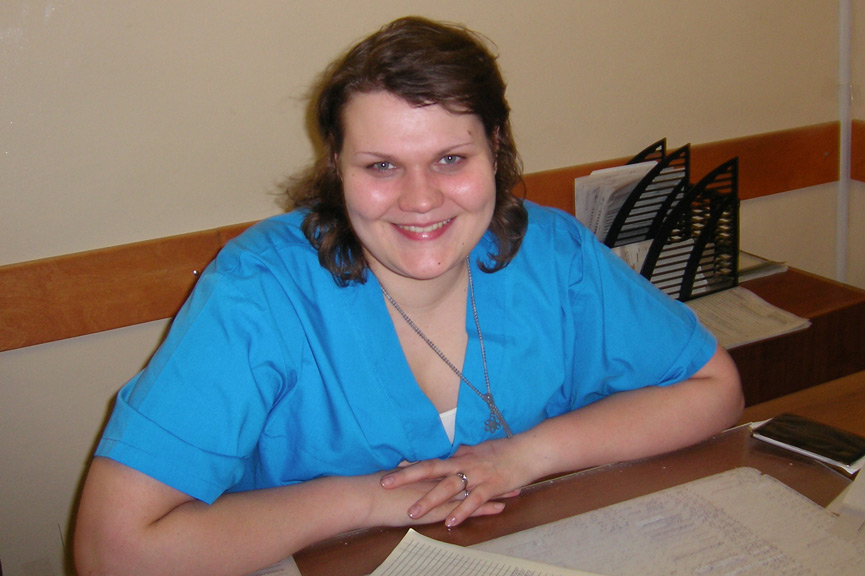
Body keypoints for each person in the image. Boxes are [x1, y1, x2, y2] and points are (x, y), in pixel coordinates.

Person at [73, 16, 743, 576]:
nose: (420, 200)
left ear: (495, 150)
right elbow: (111, 551)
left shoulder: (553, 254)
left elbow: (713, 388)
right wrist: (366, 501)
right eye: (381, 166)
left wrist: (525, 456)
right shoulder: (258, 290)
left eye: (450, 159)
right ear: (337, 168)